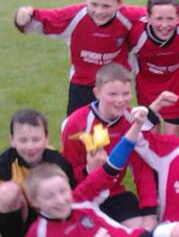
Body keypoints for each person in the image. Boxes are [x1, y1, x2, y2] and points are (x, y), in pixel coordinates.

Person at [14, 0, 146, 115]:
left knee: (114, 133)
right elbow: (41, 19)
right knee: (77, 132)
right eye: (94, 4)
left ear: (119, 4)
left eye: (106, 6)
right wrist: (22, 16)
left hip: (116, 87)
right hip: (81, 86)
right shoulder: (74, 16)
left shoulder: (130, 17)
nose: (99, 11)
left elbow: (159, 15)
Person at [22, 107, 163, 237]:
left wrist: (137, 125)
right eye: (49, 196)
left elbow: (111, 165)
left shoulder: (80, 199)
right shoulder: (39, 232)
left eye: (63, 191)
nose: (60, 200)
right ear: (34, 202)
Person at [61, 63, 162, 229]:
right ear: (97, 93)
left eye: (125, 94)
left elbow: (142, 170)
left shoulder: (133, 120)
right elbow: (66, 174)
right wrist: (89, 170)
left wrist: (149, 213)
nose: (120, 100)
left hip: (115, 193)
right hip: (85, 195)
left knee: (144, 231)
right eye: (113, 94)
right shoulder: (76, 124)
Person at [0, 109, 74, 237]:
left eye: (36, 139)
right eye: (23, 140)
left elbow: (71, 198)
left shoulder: (59, 163)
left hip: (50, 213)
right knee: (7, 192)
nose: (30, 146)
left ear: (46, 138)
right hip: (22, 214)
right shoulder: (4, 163)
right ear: (12, 140)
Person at [129, 0, 179, 135]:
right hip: (146, 91)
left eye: (170, 18)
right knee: (151, 139)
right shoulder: (136, 35)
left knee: (172, 139)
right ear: (147, 17)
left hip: (175, 90)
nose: (164, 25)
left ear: (178, 17)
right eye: (158, 19)